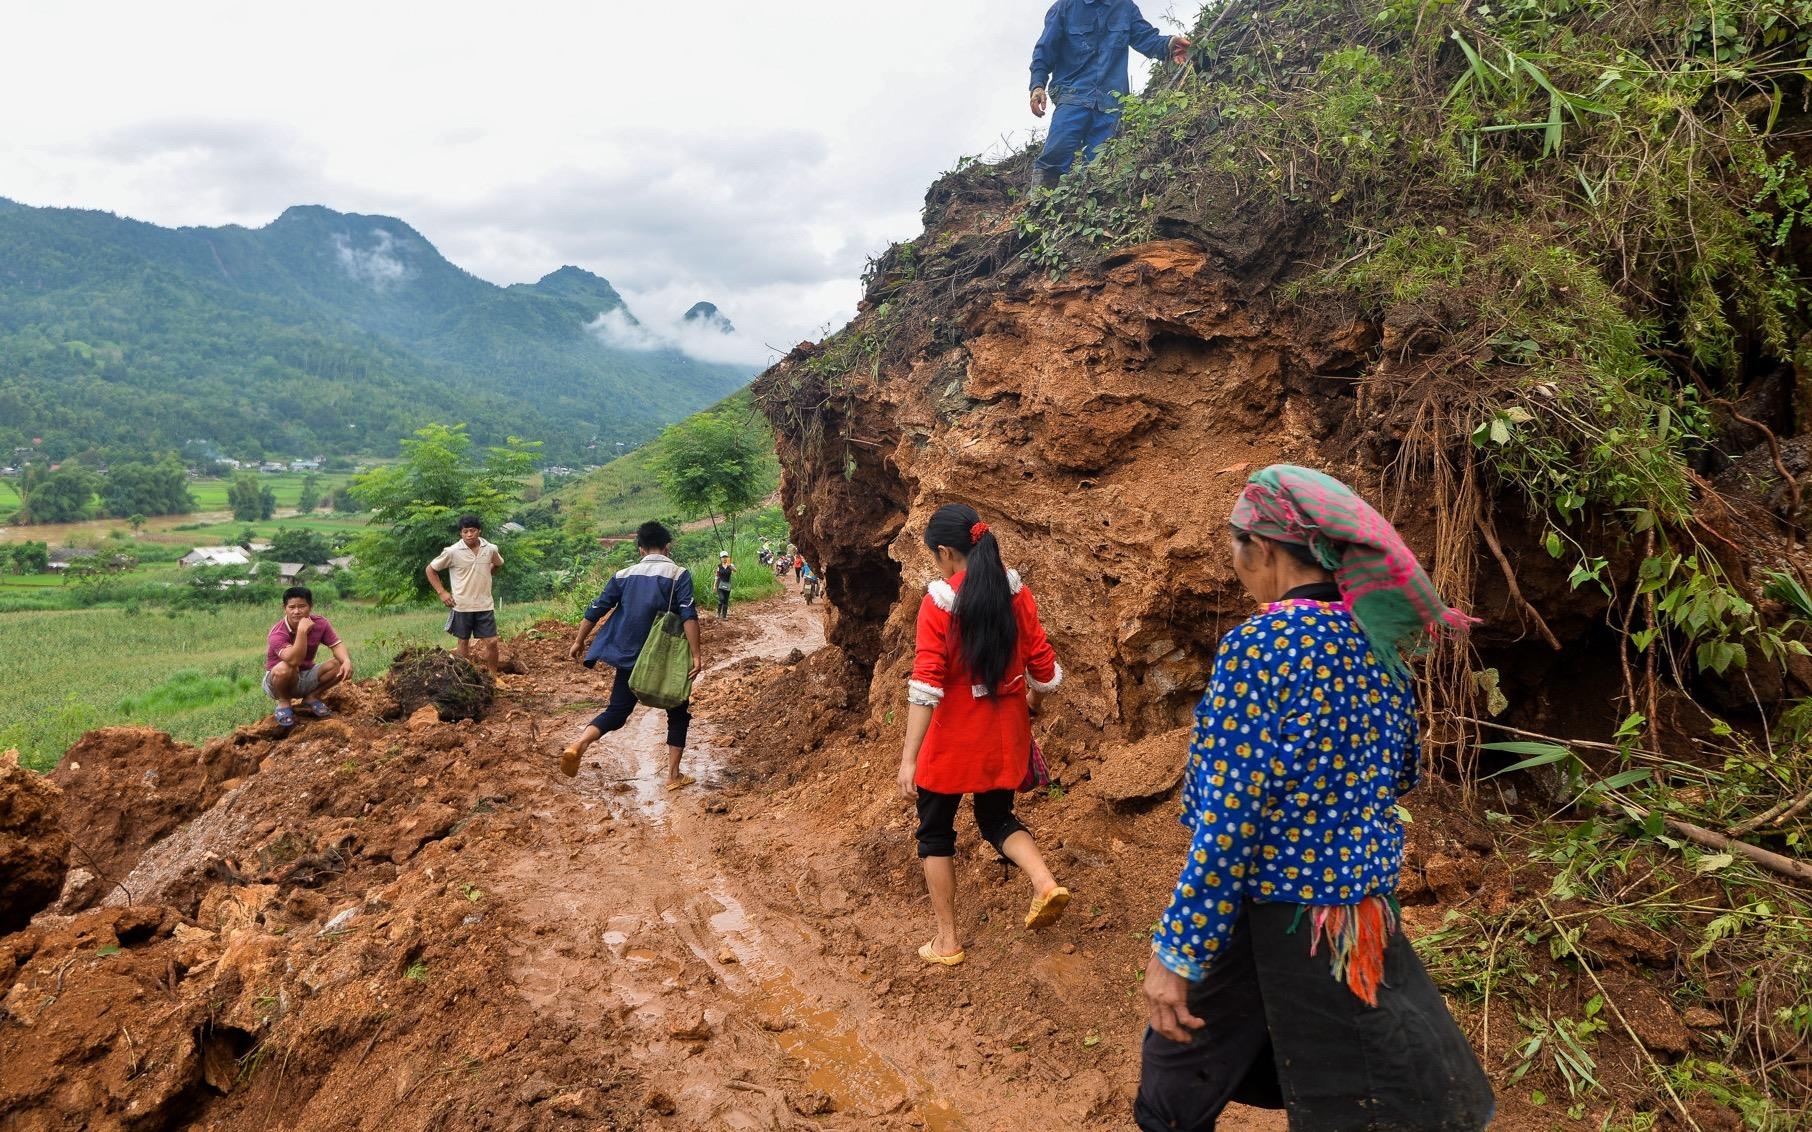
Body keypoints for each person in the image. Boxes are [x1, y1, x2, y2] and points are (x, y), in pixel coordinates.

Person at [1135, 465, 1494, 1131]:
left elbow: (1227, 822)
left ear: (1263, 550)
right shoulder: (1378, 648)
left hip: (1275, 912)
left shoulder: (1261, 646)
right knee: (1359, 1077)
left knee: (1169, 1097)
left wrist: (1178, 948)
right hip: (1354, 916)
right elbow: (1399, 772)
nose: (1237, 562)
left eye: (1236, 546)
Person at [896, 504, 1068, 966]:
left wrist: (909, 758)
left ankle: (947, 941)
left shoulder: (939, 603)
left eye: (937, 557)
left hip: (953, 738)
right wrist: (1033, 704)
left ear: (948, 552)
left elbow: (926, 684)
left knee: (935, 833)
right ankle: (1045, 883)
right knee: (996, 819)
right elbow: (1044, 669)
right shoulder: (1017, 594)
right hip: (1004, 732)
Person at [562, 521, 704, 789]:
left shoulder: (623, 575)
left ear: (640, 549)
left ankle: (579, 743)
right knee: (678, 710)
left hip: (628, 653)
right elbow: (688, 615)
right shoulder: (678, 574)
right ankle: (673, 776)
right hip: (662, 656)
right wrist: (696, 654)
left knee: (617, 711)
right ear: (667, 546)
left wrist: (579, 640)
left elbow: (596, 608)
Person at [1029, 0, 1191, 189]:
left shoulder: (1124, 7)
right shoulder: (1065, 7)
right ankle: (1037, 208)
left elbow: (1146, 38)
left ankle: (1088, 211)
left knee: (1100, 167)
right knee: (1056, 153)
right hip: (1073, 94)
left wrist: (1170, 45)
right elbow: (1045, 50)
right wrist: (1037, 85)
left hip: (1111, 103)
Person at [263, 585, 352, 729]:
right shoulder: (277, 632)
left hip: (304, 675)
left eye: (302, 606)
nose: (296, 611)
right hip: (278, 682)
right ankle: (284, 701)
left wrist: (346, 661)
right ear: (284, 608)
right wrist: (302, 631)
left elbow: (337, 645)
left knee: (338, 664)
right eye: (291, 607)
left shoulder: (320, 623)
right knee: (285, 667)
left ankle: (312, 696)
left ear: (310, 606)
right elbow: (294, 660)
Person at [426, 514, 504, 675]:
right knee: (463, 641)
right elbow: (431, 569)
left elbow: (498, 564)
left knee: (492, 642)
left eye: (473, 531)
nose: (469, 534)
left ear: (479, 531)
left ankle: (493, 676)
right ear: (461, 533)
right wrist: (442, 592)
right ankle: (465, 677)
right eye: (465, 531)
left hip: (484, 604)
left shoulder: (490, 549)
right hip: (461, 605)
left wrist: (487, 573)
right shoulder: (452, 552)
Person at [714, 551, 736, 619]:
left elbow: (735, 570)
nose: (724, 558)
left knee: (726, 600)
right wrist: (714, 585)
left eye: (725, 557)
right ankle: (718, 613)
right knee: (721, 598)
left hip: (727, 585)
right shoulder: (719, 566)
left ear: (728, 558)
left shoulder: (730, 565)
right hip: (719, 585)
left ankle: (724, 616)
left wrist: (730, 566)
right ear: (720, 558)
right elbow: (716, 576)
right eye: (723, 557)